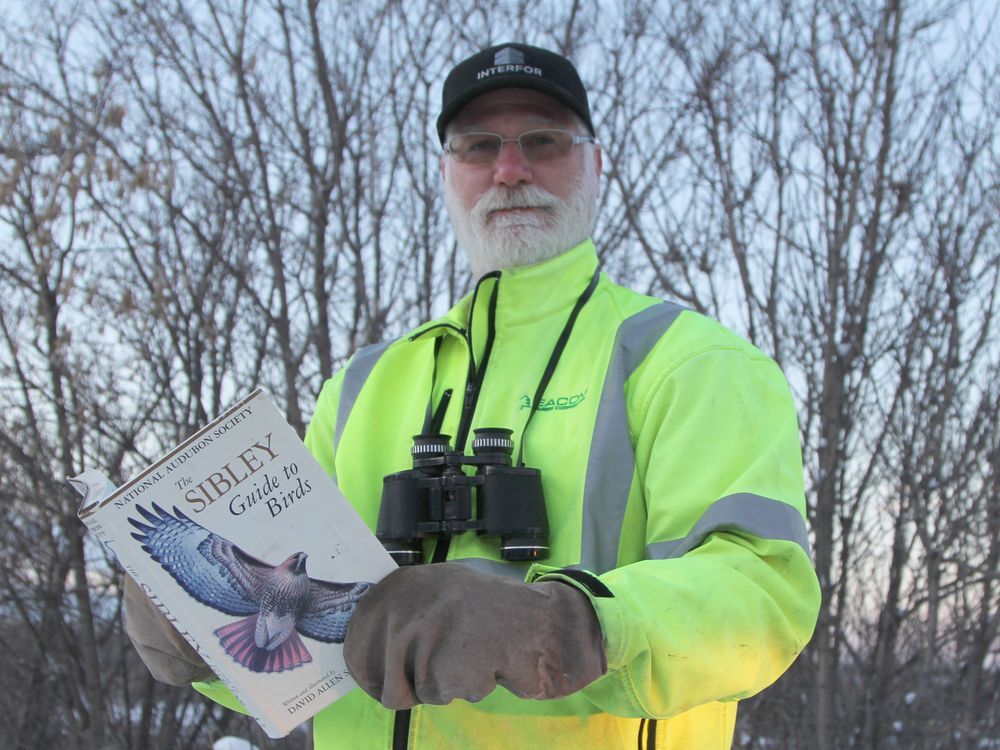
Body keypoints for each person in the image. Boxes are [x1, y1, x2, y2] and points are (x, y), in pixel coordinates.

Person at [124, 42, 820, 749]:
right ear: (448, 173)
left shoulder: (689, 362)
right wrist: (207, 642)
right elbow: (305, 648)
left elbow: (763, 598)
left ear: (596, 162)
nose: (509, 170)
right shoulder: (363, 385)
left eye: (543, 141)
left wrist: (572, 624)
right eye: (477, 146)